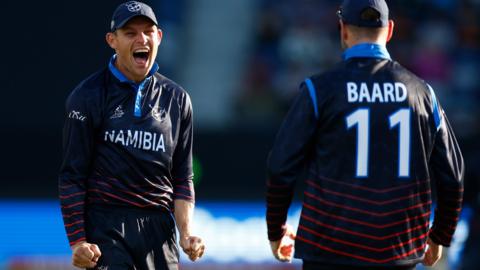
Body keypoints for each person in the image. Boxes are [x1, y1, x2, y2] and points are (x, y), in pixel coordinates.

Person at [265, 0, 464, 269]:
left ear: (343, 30)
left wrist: (276, 230)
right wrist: (440, 235)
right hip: (398, 251)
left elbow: (280, 167)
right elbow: (453, 176)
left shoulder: (318, 90)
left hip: (329, 250)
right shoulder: (423, 93)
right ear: (390, 30)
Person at [58, 1, 204, 269]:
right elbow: (72, 176)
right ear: (112, 40)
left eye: (148, 32)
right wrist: (78, 241)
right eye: (130, 33)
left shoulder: (178, 99)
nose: (142, 39)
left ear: (159, 37)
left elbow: (183, 178)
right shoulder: (87, 96)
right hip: (106, 227)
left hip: (159, 231)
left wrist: (186, 233)